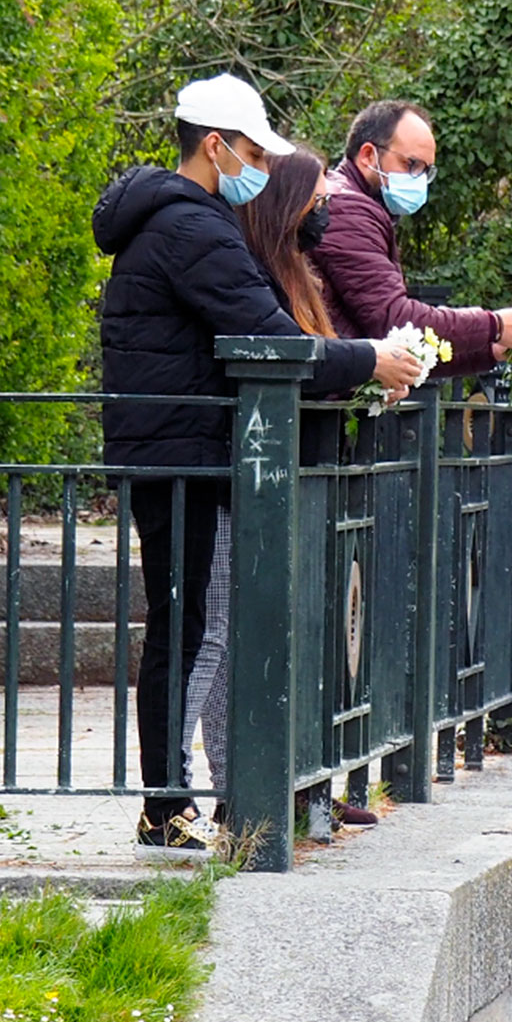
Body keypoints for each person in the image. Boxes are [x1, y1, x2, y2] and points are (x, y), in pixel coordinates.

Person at [94, 74, 423, 860]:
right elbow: (274, 343)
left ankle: (177, 799)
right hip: (184, 457)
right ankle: (165, 804)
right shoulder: (192, 228)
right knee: (188, 632)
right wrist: (370, 358)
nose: (263, 171)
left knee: (189, 627)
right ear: (215, 147)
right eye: (255, 153)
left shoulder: (179, 219)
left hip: (174, 451)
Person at [180, 147, 383, 833]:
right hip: (238, 471)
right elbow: (287, 358)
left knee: (269, 633)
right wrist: (367, 363)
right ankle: (199, 790)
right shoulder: (253, 271)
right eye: (318, 201)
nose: (327, 213)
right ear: (287, 205)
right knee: (217, 634)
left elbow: (315, 361)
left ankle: (280, 784)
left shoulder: (297, 273)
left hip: (285, 474)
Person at [310, 100, 512, 374]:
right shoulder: (348, 209)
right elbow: (394, 321)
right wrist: (495, 325)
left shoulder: (360, 206)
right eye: (410, 164)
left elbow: (402, 349)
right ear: (368, 155)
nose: (418, 180)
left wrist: (490, 350)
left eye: (425, 171)